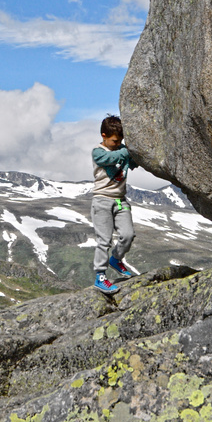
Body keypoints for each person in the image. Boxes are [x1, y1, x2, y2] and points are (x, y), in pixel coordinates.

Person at [90, 114, 137, 293]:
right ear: (103, 135)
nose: (117, 144)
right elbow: (108, 159)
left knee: (128, 235)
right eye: (114, 141)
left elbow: (134, 162)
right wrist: (127, 150)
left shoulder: (122, 150)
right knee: (104, 240)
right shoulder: (98, 151)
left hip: (120, 200)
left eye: (120, 141)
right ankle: (100, 276)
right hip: (102, 200)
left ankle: (116, 259)